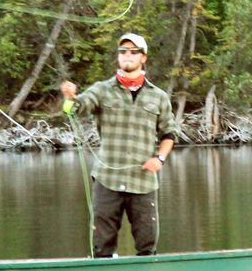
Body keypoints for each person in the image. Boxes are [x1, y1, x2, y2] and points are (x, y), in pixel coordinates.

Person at [60, 32, 177, 257]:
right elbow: (77, 108)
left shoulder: (159, 96)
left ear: (143, 58)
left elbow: (169, 134)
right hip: (107, 180)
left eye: (133, 52)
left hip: (143, 182)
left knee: (147, 245)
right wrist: (70, 98)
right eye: (123, 51)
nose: (127, 56)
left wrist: (160, 159)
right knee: (102, 246)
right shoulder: (102, 89)